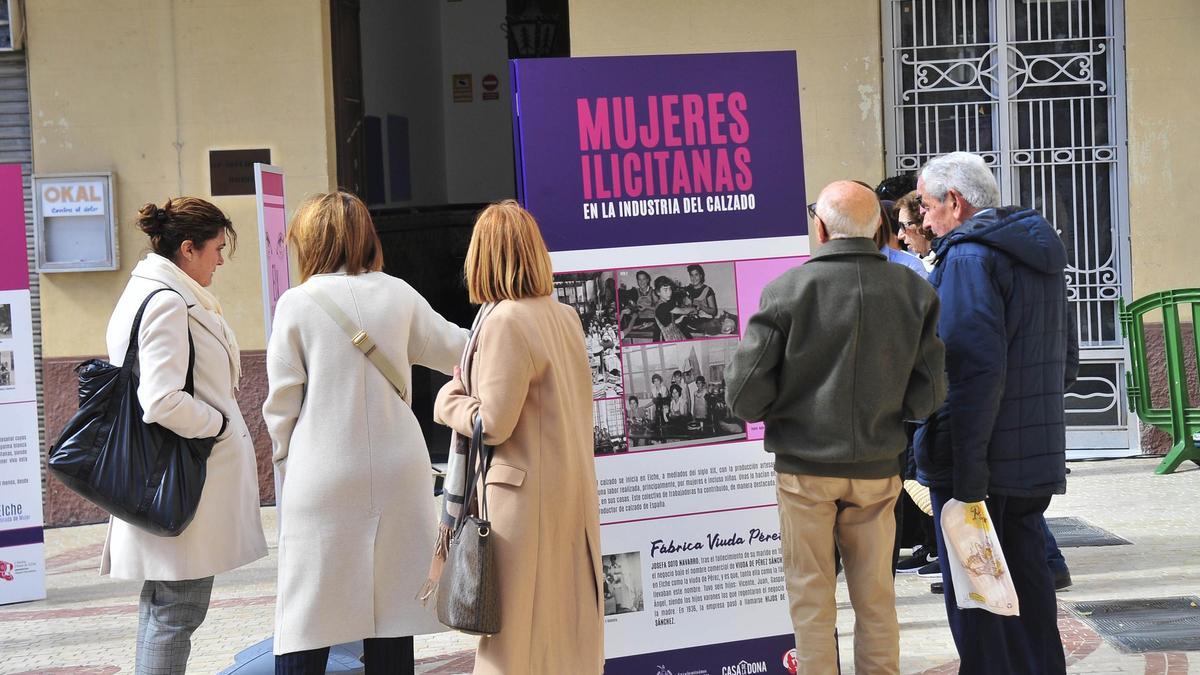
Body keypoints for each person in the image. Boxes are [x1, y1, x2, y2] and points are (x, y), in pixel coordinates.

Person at [726, 181, 946, 675]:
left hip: (804, 471)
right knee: (876, 600)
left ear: (821, 228)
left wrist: (790, 404)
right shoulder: (913, 289)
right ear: (879, 229)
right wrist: (887, 406)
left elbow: (744, 397)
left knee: (811, 599)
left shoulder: (787, 290)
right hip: (876, 466)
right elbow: (929, 394)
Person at [262, 192, 468, 674]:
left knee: (305, 617)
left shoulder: (297, 302)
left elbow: (281, 407)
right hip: (401, 470)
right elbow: (462, 351)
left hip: (323, 471)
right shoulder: (398, 294)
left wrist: (287, 469)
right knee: (391, 614)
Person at [913, 151, 1076, 674]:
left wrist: (966, 469)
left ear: (954, 203)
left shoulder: (967, 259)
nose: (922, 220)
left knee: (980, 600)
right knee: (1028, 584)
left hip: (980, 461)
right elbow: (1066, 363)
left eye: (925, 206)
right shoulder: (1037, 253)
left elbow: (969, 373)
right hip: (1031, 454)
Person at [433, 199, 603, 674]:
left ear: (484, 257)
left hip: (521, 505)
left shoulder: (506, 320)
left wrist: (449, 398)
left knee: (513, 647)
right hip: (567, 494)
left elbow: (494, 422)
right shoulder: (563, 316)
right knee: (561, 638)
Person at [104, 198, 267, 673]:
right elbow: (159, 399)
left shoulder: (157, 292)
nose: (220, 259)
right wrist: (216, 425)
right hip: (182, 481)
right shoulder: (167, 302)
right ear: (188, 248)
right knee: (177, 610)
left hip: (174, 476)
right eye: (217, 248)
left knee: (164, 608)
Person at [895, 191, 936, 272]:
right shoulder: (913, 264)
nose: (900, 236)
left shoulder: (947, 264)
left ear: (922, 224)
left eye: (903, 226)